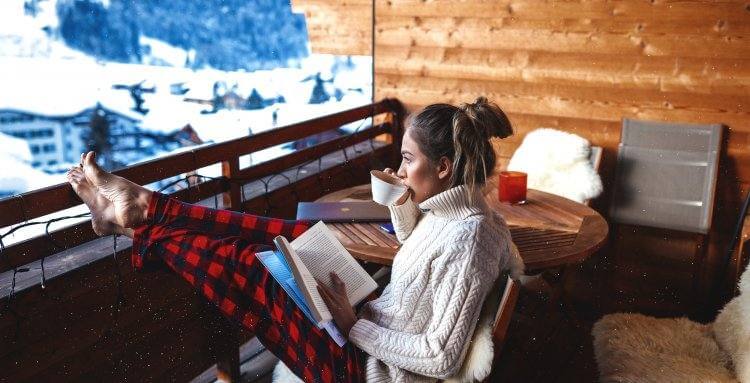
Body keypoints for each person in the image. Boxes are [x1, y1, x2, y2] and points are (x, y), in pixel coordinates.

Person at [67, 96, 523, 383]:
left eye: (407, 161)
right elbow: (432, 254)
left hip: (366, 369)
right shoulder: (468, 217)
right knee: (294, 237)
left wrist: (353, 326)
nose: (401, 171)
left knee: (252, 269)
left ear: (443, 169)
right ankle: (147, 209)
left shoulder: (470, 238)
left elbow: (441, 356)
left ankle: (135, 222)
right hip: (374, 325)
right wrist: (403, 206)